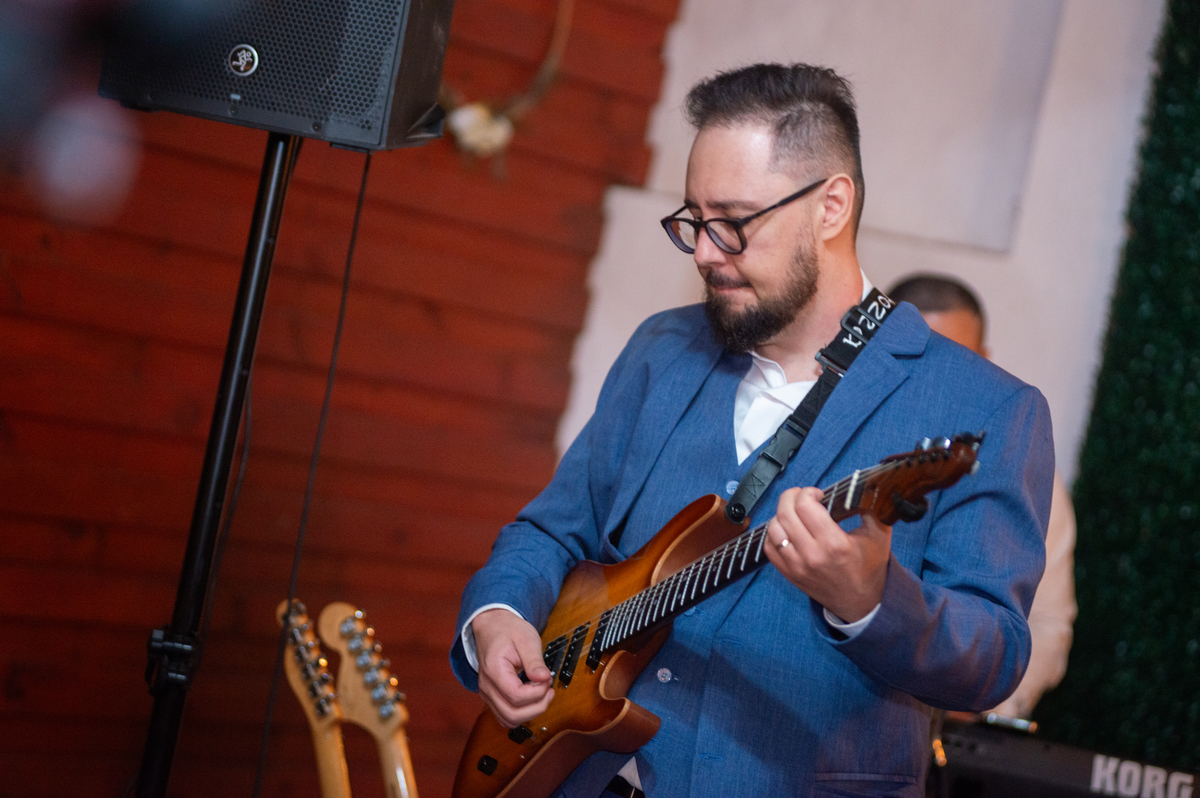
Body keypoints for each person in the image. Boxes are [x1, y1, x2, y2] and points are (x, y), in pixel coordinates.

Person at [450, 63, 1054, 798]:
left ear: (832, 206)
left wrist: (870, 601)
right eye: (693, 222)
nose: (705, 251)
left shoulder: (988, 407)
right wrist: (499, 614)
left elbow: (994, 657)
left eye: (733, 221)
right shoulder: (661, 350)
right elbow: (552, 531)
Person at [888, 274, 1077, 719]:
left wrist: (979, 701)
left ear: (988, 362)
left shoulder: (1028, 467)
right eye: (921, 362)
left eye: (961, 364)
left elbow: (1049, 625)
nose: (938, 384)